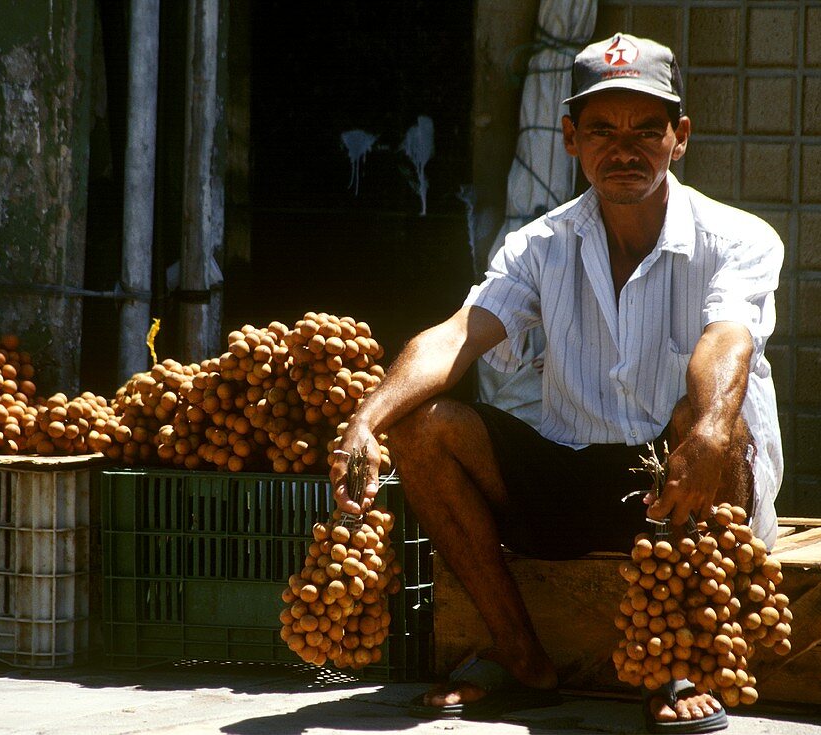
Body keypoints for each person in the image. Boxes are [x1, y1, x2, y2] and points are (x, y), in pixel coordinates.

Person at [329, 32, 783, 733]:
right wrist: (367, 418)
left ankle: (677, 662)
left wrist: (713, 426)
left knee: (708, 417)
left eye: (646, 130)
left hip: (686, 486)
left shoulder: (740, 238)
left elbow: (725, 341)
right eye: (602, 129)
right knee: (423, 424)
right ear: (570, 138)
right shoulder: (538, 244)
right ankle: (520, 656)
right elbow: (460, 334)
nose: (623, 149)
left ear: (680, 137)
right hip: (574, 480)